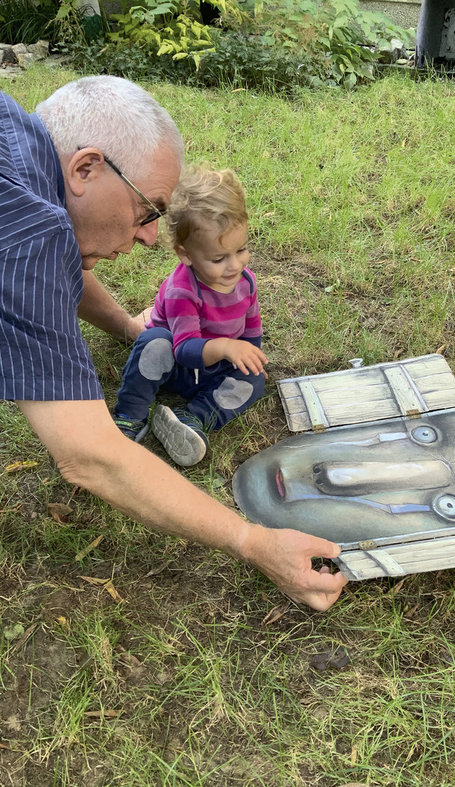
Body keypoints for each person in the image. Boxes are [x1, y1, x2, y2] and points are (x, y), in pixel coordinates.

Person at [0, 75, 347, 610]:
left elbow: (56, 257)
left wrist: (125, 325)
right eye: (148, 211)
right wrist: (252, 541)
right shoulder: (30, 233)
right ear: (86, 167)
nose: (146, 237)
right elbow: (90, 456)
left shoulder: (17, 131)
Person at [113, 165, 267, 468]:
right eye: (219, 258)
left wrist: (251, 356)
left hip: (213, 369)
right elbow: (183, 350)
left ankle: (193, 418)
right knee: (154, 341)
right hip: (173, 366)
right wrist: (225, 347)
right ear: (186, 254)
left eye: (241, 250)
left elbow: (251, 329)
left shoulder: (245, 282)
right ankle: (130, 415)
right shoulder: (182, 290)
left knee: (254, 381)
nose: (234, 266)